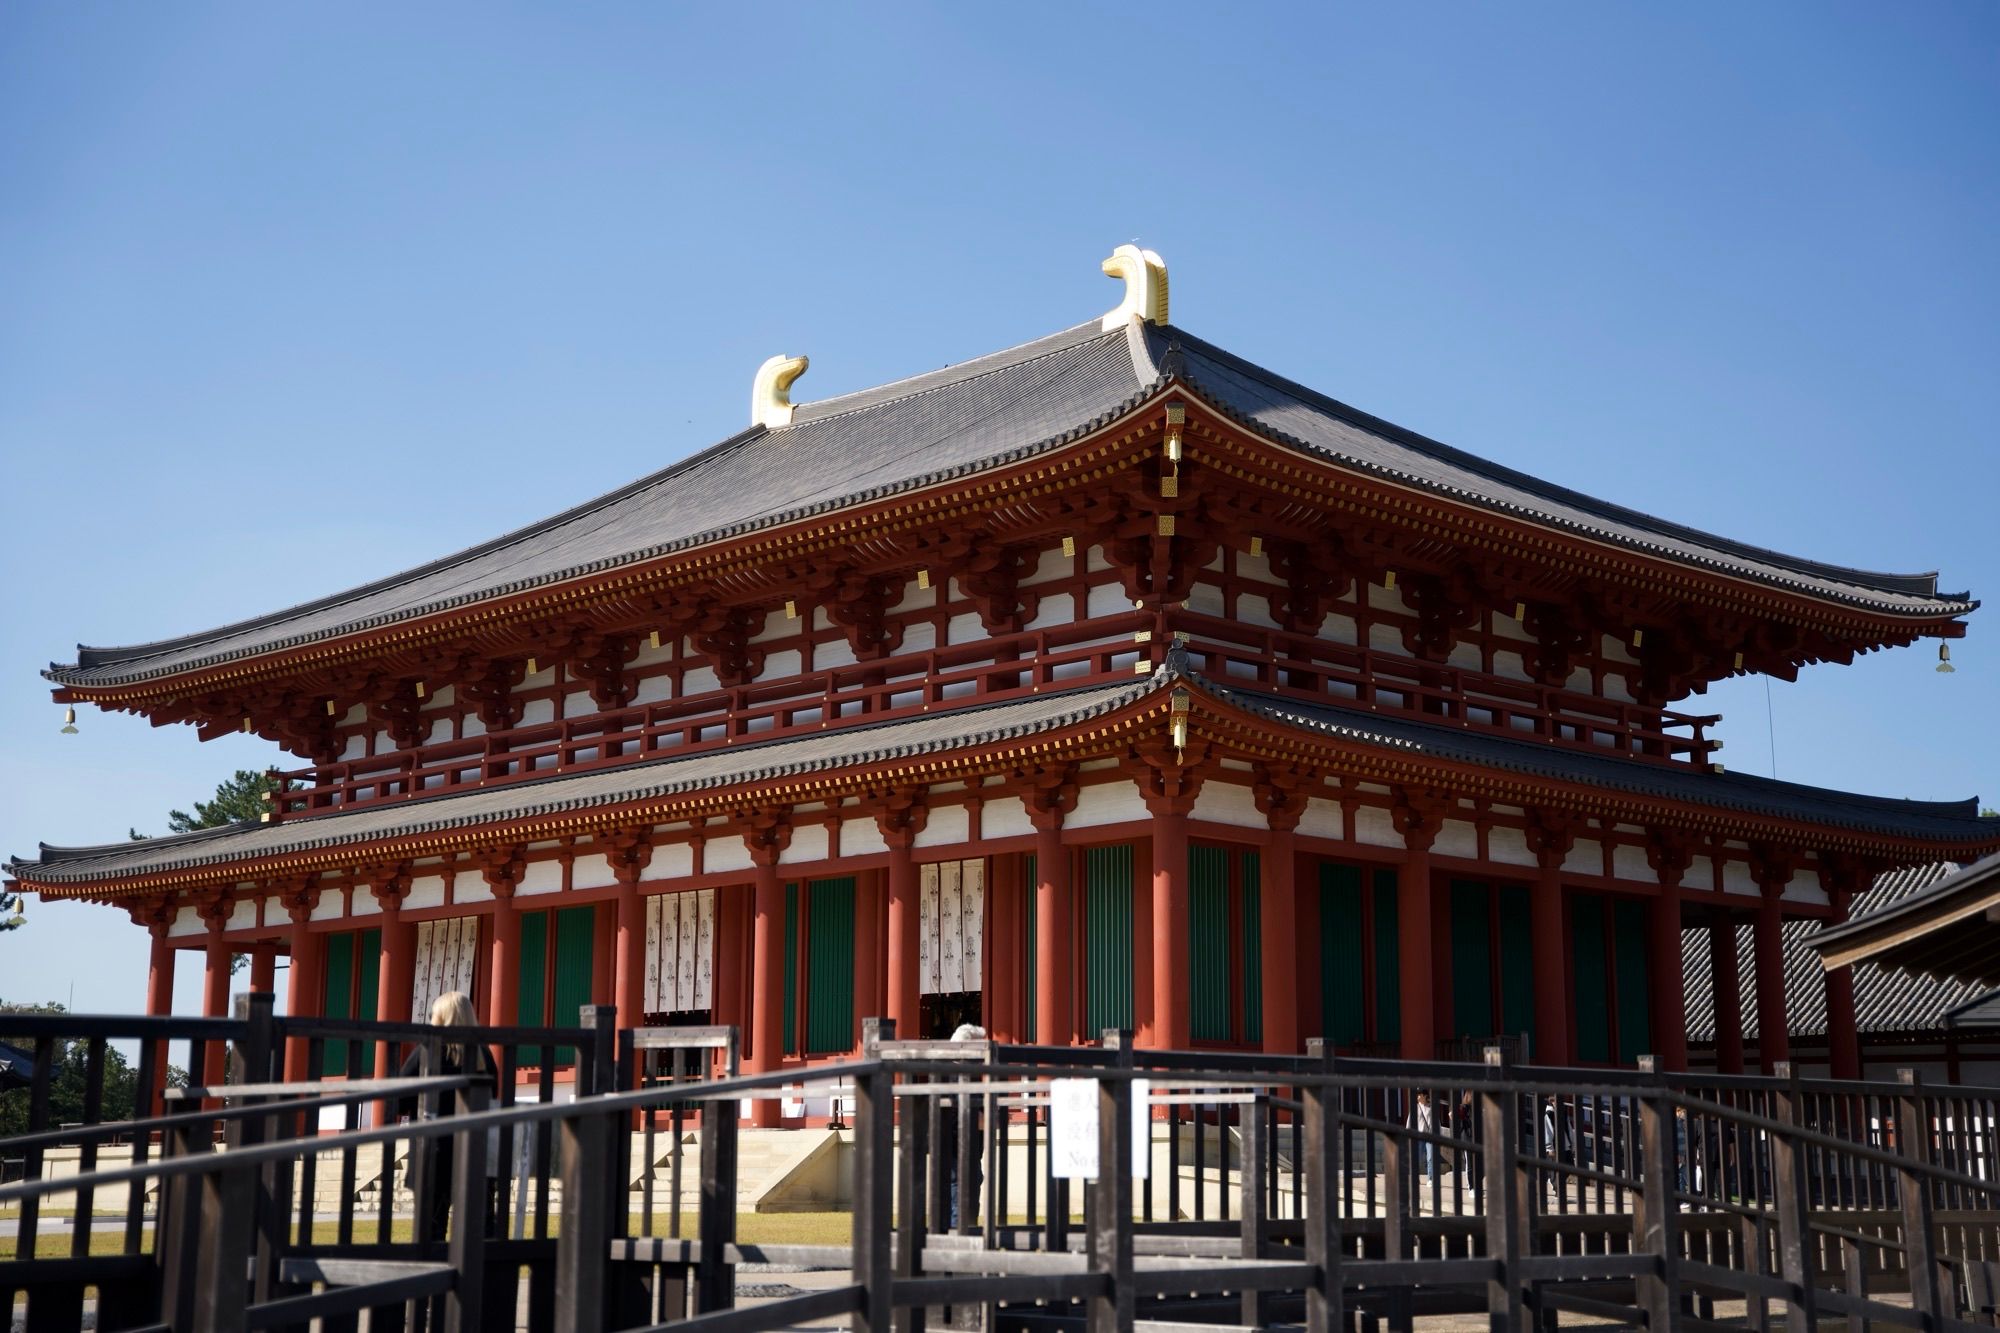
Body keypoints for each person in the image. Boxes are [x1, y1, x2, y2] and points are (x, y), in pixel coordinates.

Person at [397, 991, 499, 1244]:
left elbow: (400, 1098)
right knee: (477, 1228)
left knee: (431, 1228)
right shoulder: (482, 1055)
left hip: (433, 1147)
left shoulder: (426, 1051)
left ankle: (432, 1277)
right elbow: (492, 1094)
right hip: (474, 1147)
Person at [936, 1022, 987, 1230]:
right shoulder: (955, 1076)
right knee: (961, 1191)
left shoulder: (950, 1073)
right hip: (959, 1146)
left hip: (963, 1146)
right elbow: (960, 1113)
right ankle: (959, 1237)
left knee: (963, 1189)